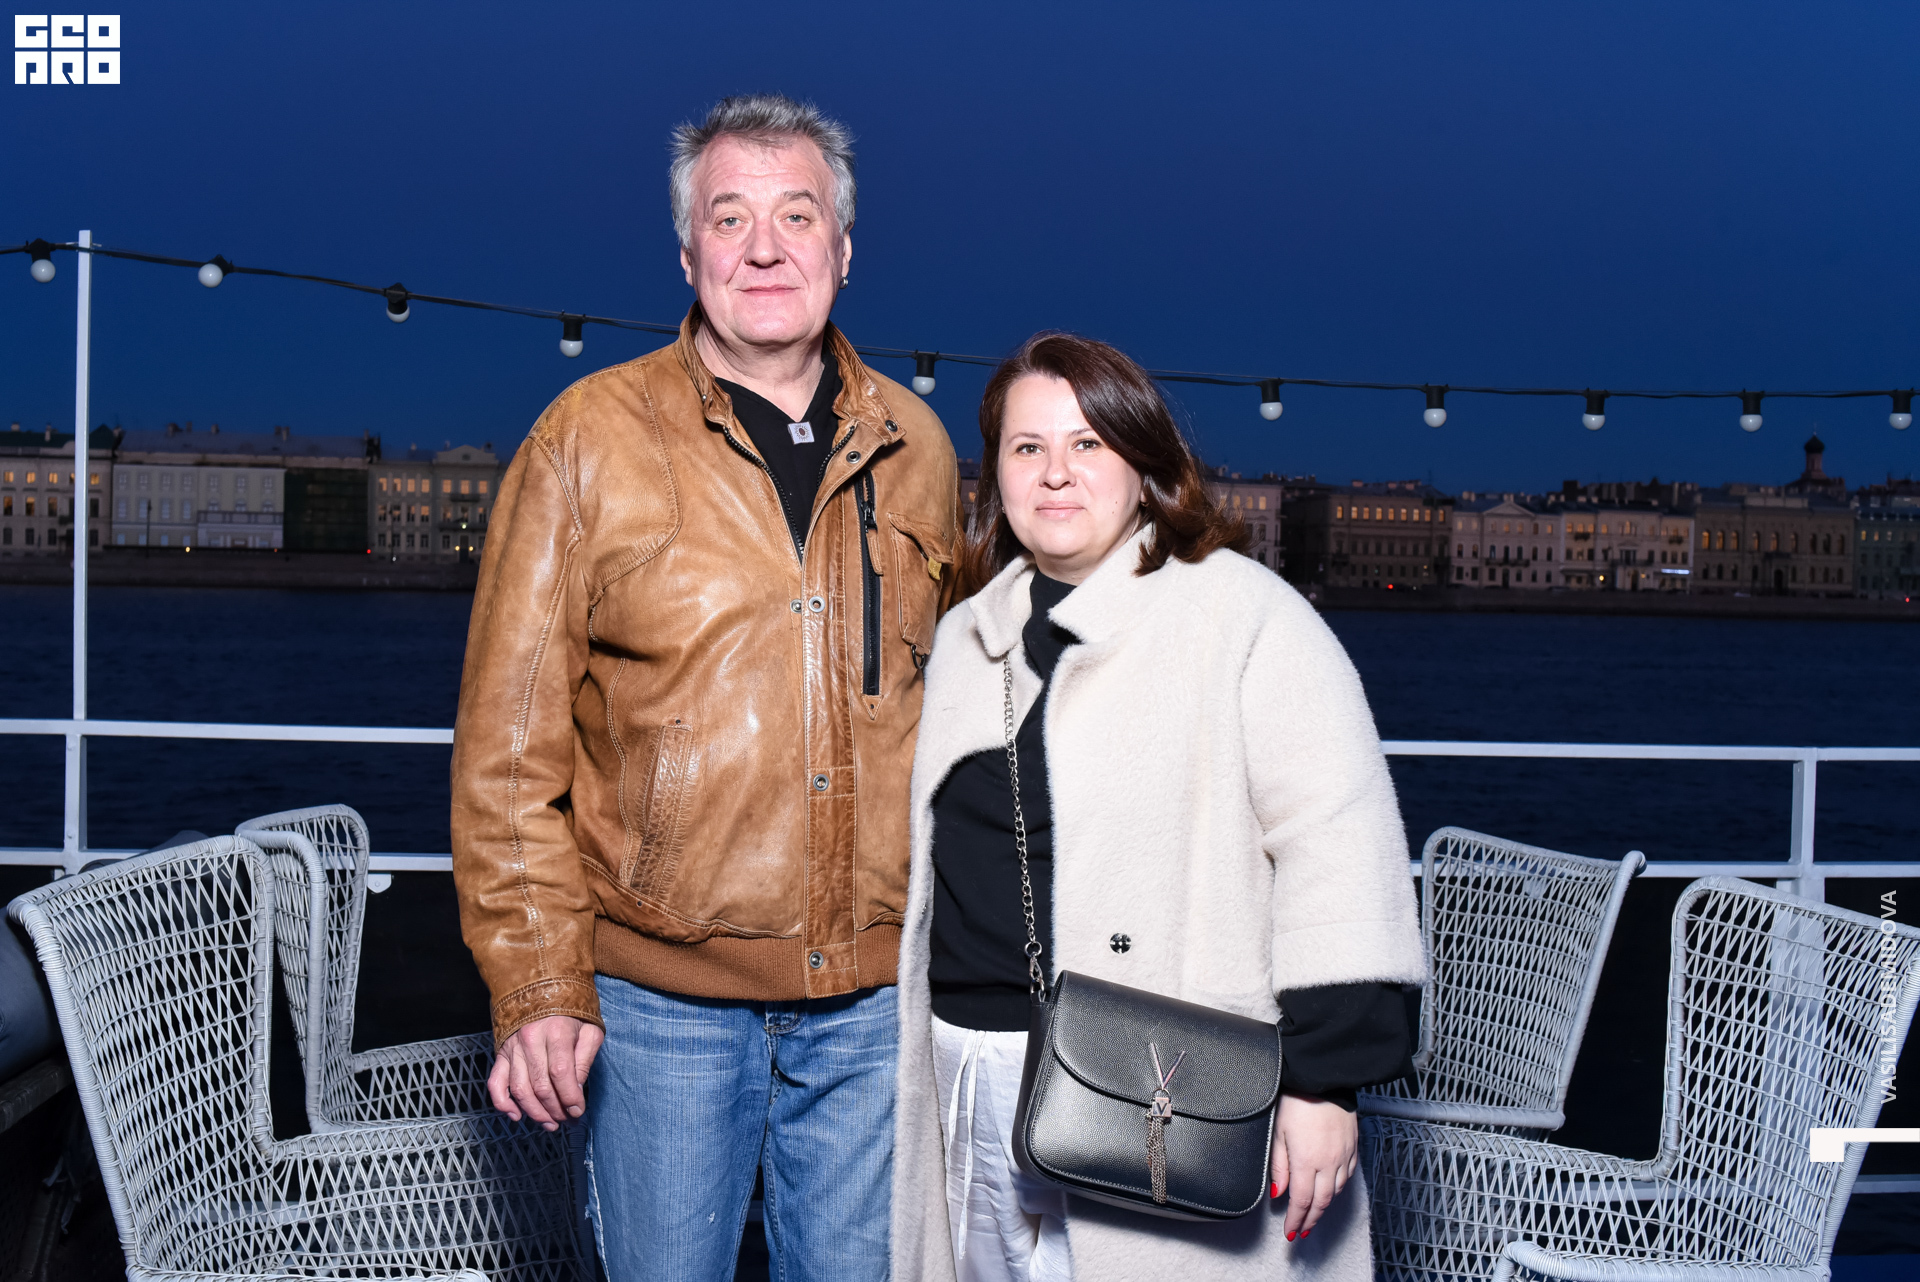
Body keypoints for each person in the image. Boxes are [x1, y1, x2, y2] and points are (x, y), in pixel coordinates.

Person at [450, 94, 958, 1281]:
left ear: (844, 248)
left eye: (798, 215)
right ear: (688, 255)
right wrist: (538, 980)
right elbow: (508, 747)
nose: (765, 247)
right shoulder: (587, 437)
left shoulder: (921, 448)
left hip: (876, 1007)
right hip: (659, 1006)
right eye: (731, 218)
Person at [890, 333, 1425, 1281]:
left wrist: (1325, 1083)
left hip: (1163, 1083)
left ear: (1144, 466)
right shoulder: (970, 636)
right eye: (1027, 447)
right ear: (996, 475)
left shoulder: (1245, 616)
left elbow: (1338, 846)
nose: (1055, 473)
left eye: (1088, 444)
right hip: (973, 1070)